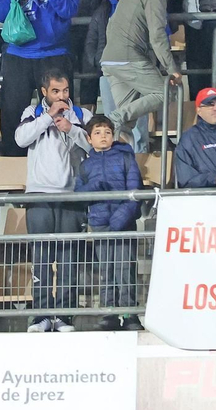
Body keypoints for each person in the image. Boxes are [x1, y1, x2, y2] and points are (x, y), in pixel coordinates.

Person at [0, 0, 82, 158]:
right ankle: (12, 162)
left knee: (61, 109)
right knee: (12, 113)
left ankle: (62, 157)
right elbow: (0, 13)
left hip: (53, 54)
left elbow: (69, 10)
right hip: (19, 54)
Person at [16, 70, 90, 332]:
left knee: (69, 259)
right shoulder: (32, 112)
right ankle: (41, 315)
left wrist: (72, 129)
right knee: (42, 259)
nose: (62, 96)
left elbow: (95, 146)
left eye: (65, 91)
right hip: (38, 195)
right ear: (45, 92)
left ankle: (66, 316)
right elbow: (20, 139)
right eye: (56, 91)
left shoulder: (82, 115)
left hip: (70, 195)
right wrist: (47, 117)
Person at [101, 0, 185, 148]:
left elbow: (111, 24)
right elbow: (158, 36)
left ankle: (113, 167)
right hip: (129, 58)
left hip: (110, 60)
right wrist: (172, 69)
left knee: (124, 127)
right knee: (164, 93)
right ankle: (116, 115)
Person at [74, 114, 142, 330]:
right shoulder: (86, 165)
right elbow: (79, 193)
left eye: (107, 132)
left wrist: (123, 215)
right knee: (106, 269)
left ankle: (129, 313)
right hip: (101, 221)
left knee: (125, 267)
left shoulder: (125, 158)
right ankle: (108, 312)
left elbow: (135, 190)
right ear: (89, 138)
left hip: (124, 222)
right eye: (97, 133)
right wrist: (95, 187)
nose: (103, 136)